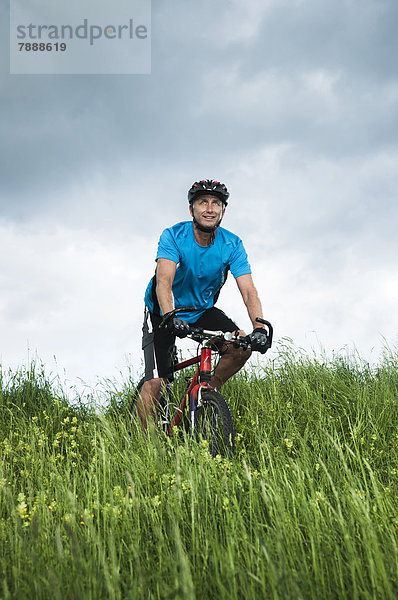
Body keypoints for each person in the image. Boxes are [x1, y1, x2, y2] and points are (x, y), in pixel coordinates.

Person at [138, 179, 269, 429]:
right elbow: (164, 281)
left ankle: (204, 396)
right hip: (162, 310)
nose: (209, 208)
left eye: (216, 203)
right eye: (203, 202)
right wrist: (170, 316)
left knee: (240, 347)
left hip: (201, 310)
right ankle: (147, 449)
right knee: (156, 382)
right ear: (192, 210)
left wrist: (260, 328)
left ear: (223, 210)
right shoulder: (174, 235)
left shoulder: (232, 244)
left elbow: (249, 291)